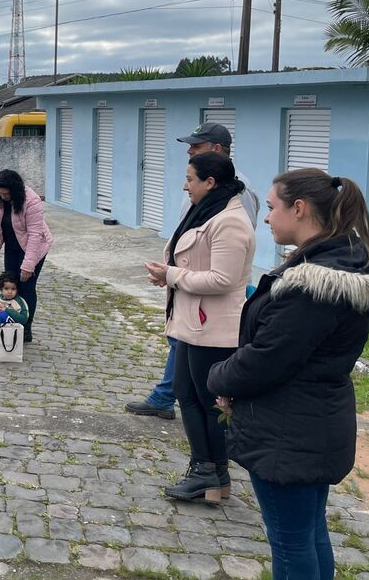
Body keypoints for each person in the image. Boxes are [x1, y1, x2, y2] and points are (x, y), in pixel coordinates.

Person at [208, 170, 369, 578]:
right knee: (308, 534)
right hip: (312, 420)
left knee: (291, 543)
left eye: (271, 207)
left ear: (298, 209)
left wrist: (217, 377)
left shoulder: (311, 288)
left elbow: (267, 358)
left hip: (290, 431)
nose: (265, 218)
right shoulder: (342, 261)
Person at [126, 122, 260, 420]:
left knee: (202, 380)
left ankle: (195, 420)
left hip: (212, 298)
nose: (189, 150)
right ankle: (168, 399)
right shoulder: (203, 183)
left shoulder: (236, 191)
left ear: (216, 150)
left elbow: (231, 249)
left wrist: (175, 275)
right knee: (181, 348)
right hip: (190, 288)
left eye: (196, 146)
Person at [142, 153, 254, 502]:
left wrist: (173, 275)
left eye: (190, 178)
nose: (184, 184)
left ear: (210, 182)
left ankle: (210, 471)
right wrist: (170, 277)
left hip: (214, 327)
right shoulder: (208, 211)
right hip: (191, 321)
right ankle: (209, 472)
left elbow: (224, 278)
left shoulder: (231, 221)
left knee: (207, 402)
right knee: (187, 394)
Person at [0, 169, 53, 342]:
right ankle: (9, 324)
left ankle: (25, 326)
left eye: (6, 194)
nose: (3, 197)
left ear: (15, 190)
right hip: (12, 245)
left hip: (35, 247)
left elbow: (34, 235)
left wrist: (28, 265)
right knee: (11, 285)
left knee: (26, 285)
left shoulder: (32, 201)